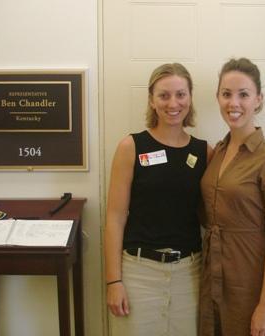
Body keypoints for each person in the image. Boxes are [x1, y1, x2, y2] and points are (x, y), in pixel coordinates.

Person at [104, 63, 211, 336]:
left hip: (189, 275)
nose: (173, 103)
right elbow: (115, 218)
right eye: (164, 95)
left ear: (190, 97)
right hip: (139, 274)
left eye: (180, 94)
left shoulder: (204, 152)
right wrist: (113, 281)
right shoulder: (131, 147)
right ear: (151, 100)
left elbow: (211, 216)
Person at [199, 58, 265, 336]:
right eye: (226, 94)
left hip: (252, 284)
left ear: (258, 99)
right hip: (215, 281)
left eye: (243, 94)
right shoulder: (217, 152)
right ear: (217, 97)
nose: (233, 103)